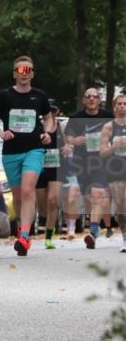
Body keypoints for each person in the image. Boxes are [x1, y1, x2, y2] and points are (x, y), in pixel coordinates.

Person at [0, 56, 54, 256]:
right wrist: (1, 133)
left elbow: (49, 118)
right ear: (14, 73)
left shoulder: (39, 96)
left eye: (28, 70)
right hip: (11, 152)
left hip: (34, 149)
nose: (24, 74)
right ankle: (20, 228)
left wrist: (47, 133)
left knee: (27, 191)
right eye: (20, 70)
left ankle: (25, 236)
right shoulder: (4, 96)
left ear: (32, 73)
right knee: (17, 197)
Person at [63, 88, 113, 249]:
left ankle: (91, 232)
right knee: (87, 199)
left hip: (101, 161)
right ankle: (95, 226)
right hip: (81, 162)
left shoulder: (107, 116)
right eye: (88, 96)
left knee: (97, 194)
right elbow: (68, 135)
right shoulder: (76, 118)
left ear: (99, 100)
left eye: (95, 96)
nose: (92, 99)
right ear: (84, 100)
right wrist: (74, 140)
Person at [99, 93, 126, 252]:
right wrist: (114, 146)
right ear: (114, 107)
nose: (122, 106)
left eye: (125, 104)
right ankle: (124, 238)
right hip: (115, 167)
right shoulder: (108, 127)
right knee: (120, 206)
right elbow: (102, 152)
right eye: (119, 104)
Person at [35, 99, 63, 249]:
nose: (51, 113)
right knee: (42, 207)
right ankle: (45, 220)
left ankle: (48, 237)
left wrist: (69, 147)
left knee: (52, 201)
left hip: (57, 167)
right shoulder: (37, 127)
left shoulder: (63, 127)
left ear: (57, 111)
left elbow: (72, 144)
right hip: (39, 167)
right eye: (48, 111)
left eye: (53, 110)